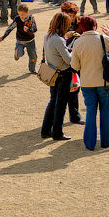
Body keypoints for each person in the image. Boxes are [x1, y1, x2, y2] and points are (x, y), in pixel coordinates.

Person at [69, 16, 109, 150]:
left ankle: (90, 142)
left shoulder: (78, 42)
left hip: (87, 82)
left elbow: (75, 65)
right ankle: (105, 141)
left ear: (82, 27)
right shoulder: (102, 39)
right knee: (105, 111)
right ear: (95, 26)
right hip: (104, 82)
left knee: (90, 111)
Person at [40, 12, 74, 141]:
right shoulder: (58, 40)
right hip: (63, 74)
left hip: (52, 72)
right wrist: (73, 49)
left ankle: (46, 130)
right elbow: (68, 59)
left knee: (53, 101)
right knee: (61, 104)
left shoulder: (48, 36)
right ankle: (57, 132)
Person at [0, 3, 38, 73]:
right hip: (20, 41)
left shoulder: (31, 18)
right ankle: (17, 53)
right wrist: (3, 37)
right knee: (19, 54)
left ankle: (32, 69)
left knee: (33, 57)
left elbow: (35, 29)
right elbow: (10, 28)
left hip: (30, 41)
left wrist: (28, 30)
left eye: (22, 14)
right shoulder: (17, 19)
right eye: (19, 14)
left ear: (27, 12)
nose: (21, 16)